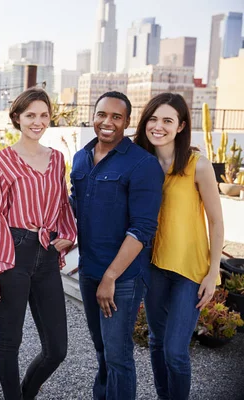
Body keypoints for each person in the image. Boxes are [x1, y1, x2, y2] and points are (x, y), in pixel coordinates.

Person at [0, 87, 77, 400]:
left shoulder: (57, 158)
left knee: (57, 348)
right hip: (13, 250)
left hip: (47, 253)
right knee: (10, 342)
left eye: (43, 115)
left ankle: (26, 393)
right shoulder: (2, 161)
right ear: (17, 118)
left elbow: (63, 204)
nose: (38, 121)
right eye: (30, 115)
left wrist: (66, 234)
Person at [70, 91, 164, 400]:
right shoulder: (81, 157)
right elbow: (76, 205)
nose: (107, 122)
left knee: (118, 356)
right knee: (101, 349)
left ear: (126, 122)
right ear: (93, 116)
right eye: (101, 114)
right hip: (88, 270)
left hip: (121, 278)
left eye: (116, 117)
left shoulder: (142, 164)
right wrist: (60, 235)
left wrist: (110, 277)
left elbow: (143, 228)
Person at [133, 93, 223, 400]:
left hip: (189, 271)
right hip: (154, 267)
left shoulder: (198, 165)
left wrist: (213, 274)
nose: (158, 126)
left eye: (168, 120)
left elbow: (217, 222)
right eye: (153, 119)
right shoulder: (141, 164)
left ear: (181, 126)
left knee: (174, 351)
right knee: (157, 342)